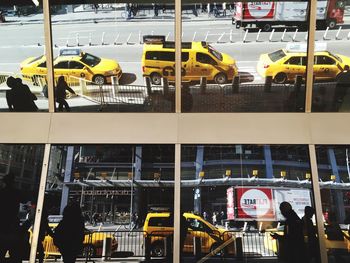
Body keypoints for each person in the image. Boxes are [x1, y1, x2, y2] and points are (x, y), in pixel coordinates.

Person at [0, 173, 24, 263]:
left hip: (3, 226)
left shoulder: (2, 192)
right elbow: (24, 199)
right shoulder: (16, 193)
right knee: (15, 256)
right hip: (12, 227)